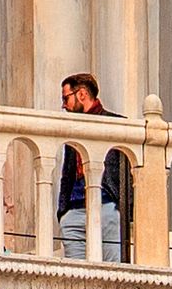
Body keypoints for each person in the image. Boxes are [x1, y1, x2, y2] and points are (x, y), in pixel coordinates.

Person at [54, 72, 127, 261]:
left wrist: (123, 208)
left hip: (107, 206)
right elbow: (66, 175)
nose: (64, 105)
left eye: (66, 98)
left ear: (82, 94)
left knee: (112, 270)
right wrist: (63, 213)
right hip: (74, 211)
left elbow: (128, 172)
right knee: (76, 274)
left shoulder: (117, 124)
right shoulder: (72, 130)